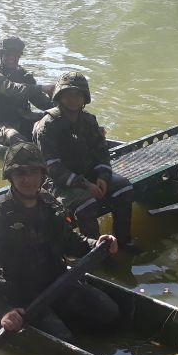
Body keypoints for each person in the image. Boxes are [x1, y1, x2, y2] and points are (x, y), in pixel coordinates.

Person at [0, 142, 120, 341]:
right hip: (24, 297)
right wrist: (3, 311)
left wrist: (98, 244)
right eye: (20, 173)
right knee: (63, 339)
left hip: (58, 282)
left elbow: (71, 242)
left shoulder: (49, 203)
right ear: (10, 177)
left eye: (33, 172)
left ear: (42, 174)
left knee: (110, 312)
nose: (27, 179)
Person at [33, 71, 137, 248]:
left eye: (77, 94)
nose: (73, 99)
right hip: (58, 183)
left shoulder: (89, 120)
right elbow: (52, 167)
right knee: (86, 205)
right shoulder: (47, 126)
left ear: (84, 98)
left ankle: (123, 241)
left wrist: (102, 177)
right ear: (59, 96)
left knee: (124, 188)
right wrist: (85, 185)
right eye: (68, 95)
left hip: (89, 175)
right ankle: (96, 251)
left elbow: (101, 152)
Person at [0, 36, 52, 146]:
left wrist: (62, 101)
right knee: (14, 137)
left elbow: (40, 101)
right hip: (1, 123)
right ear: (1, 55)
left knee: (53, 121)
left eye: (16, 54)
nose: (12, 57)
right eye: (7, 54)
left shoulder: (24, 75)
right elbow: (11, 89)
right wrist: (41, 87)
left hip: (24, 118)